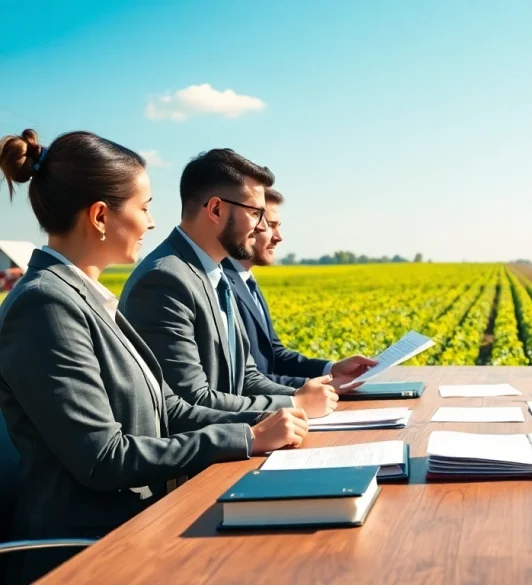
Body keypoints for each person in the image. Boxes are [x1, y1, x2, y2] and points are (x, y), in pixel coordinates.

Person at [0, 129, 309, 584]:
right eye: (143, 208)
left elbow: (169, 406)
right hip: (94, 553)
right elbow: (103, 457)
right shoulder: (44, 305)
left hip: (144, 525)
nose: (150, 224)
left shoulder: (85, 298)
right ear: (101, 216)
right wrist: (244, 440)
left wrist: (260, 428)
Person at [119, 149, 374, 417]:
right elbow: (191, 400)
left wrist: (302, 395)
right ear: (216, 209)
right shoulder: (165, 280)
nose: (262, 226)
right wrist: (295, 404)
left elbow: (247, 378)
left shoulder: (214, 274)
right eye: (255, 213)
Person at [222, 188, 354, 388]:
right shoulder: (221, 284)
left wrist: (331, 369)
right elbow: (241, 377)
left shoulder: (247, 281)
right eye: (270, 226)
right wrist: (315, 386)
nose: (279, 237)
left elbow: (275, 355)